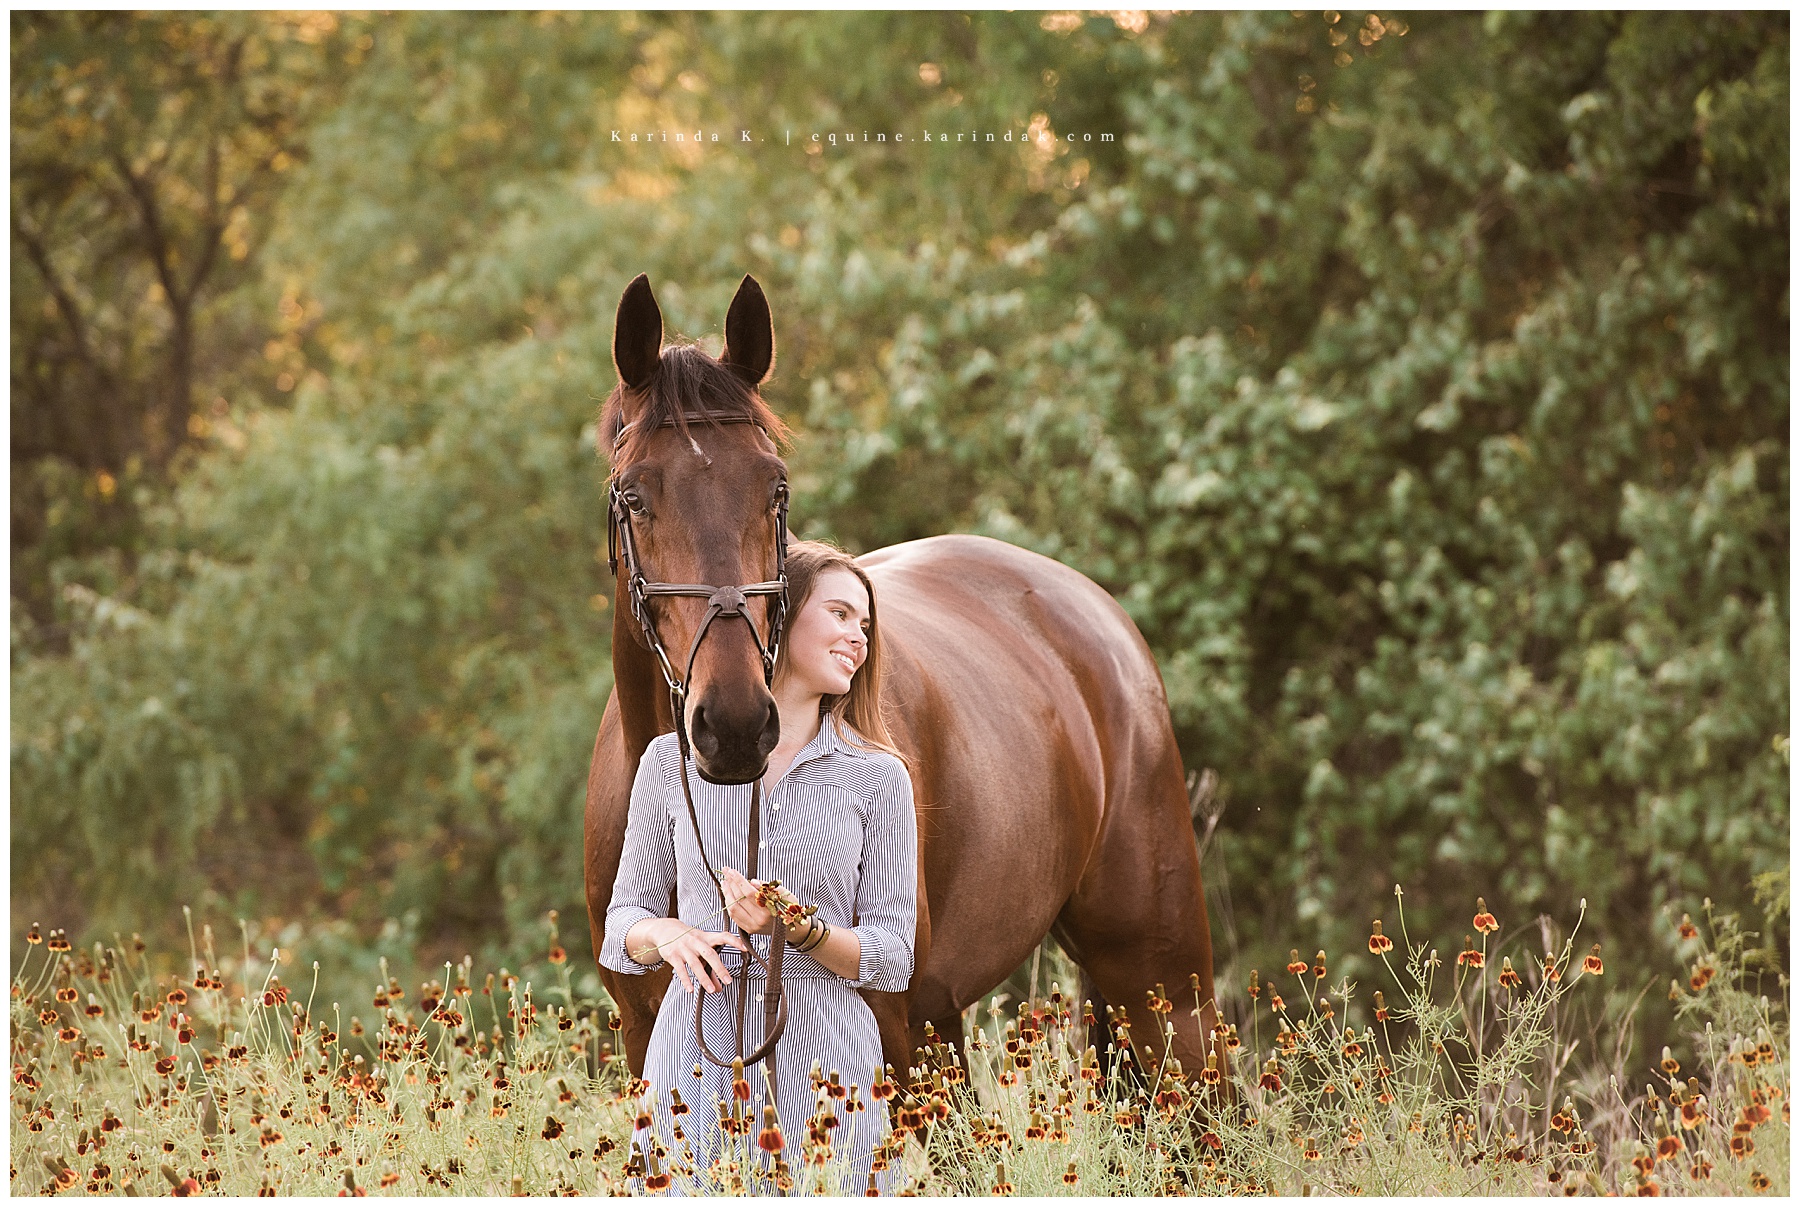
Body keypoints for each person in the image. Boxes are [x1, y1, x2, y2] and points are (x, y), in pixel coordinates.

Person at [600, 539, 917, 1195]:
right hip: (694, 1049)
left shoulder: (879, 779)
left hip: (829, 1059)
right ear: (778, 616)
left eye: (865, 624)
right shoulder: (671, 764)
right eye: (839, 614)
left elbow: (893, 954)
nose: (857, 636)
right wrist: (667, 933)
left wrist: (798, 927)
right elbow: (620, 923)